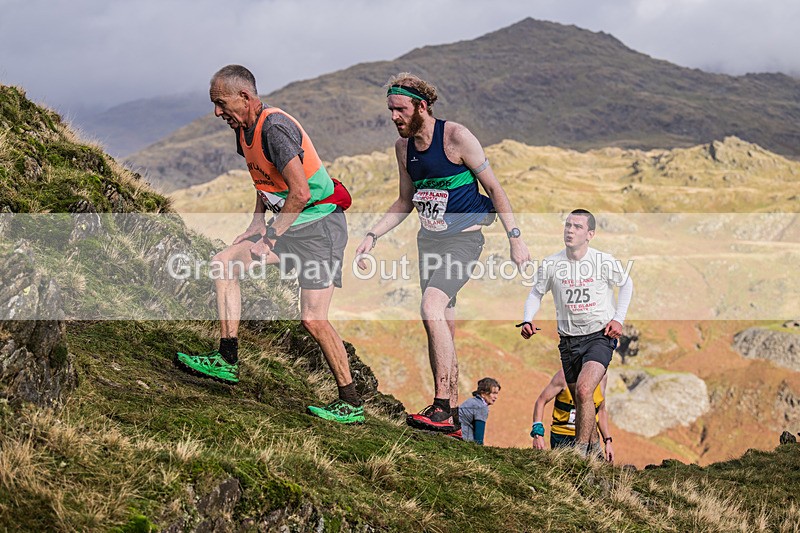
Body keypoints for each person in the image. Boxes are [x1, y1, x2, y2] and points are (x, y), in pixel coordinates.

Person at [176, 65, 364, 424]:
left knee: (313, 319)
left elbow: (300, 192)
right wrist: (257, 221)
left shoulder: (274, 128)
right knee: (224, 263)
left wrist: (271, 237)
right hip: (289, 226)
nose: (216, 112)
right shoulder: (243, 129)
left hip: (320, 228)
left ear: (244, 97)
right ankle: (227, 358)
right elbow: (264, 178)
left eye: (221, 103)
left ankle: (350, 403)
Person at [355, 73, 530, 434]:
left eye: (400, 109)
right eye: (390, 110)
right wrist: (373, 234)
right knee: (441, 324)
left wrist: (515, 238)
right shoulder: (403, 148)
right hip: (429, 243)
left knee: (430, 307)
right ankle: (450, 417)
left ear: (421, 106)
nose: (394, 117)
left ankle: (440, 407)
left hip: (462, 242)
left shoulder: (456, 138)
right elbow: (405, 200)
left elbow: (495, 189)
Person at [519, 209, 632, 456]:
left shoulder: (602, 261)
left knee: (584, 390)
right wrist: (528, 319)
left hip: (599, 336)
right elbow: (536, 293)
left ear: (590, 234)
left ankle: (579, 454)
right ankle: (596, 452)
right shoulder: (552, 264)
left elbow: (626, 284)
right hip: (569, 341)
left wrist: (618, 319)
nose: (570, 230)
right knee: (583, 402)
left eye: (577, 226)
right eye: (568, 225)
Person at [531, 369, 614, 462]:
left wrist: (607, 441)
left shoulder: (602, 377)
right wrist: (538, 434)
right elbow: (541, 401)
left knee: (594, 469)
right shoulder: (563, 376)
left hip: (590, 438)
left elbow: (601, 410)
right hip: (563, 436)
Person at [458, 377, 501, 444]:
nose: (496, 397)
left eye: (497, 393)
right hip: (463, 441)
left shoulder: (471, 401)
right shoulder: (481, 407)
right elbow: (479, 438)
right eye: (493, 393)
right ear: (483, 393)